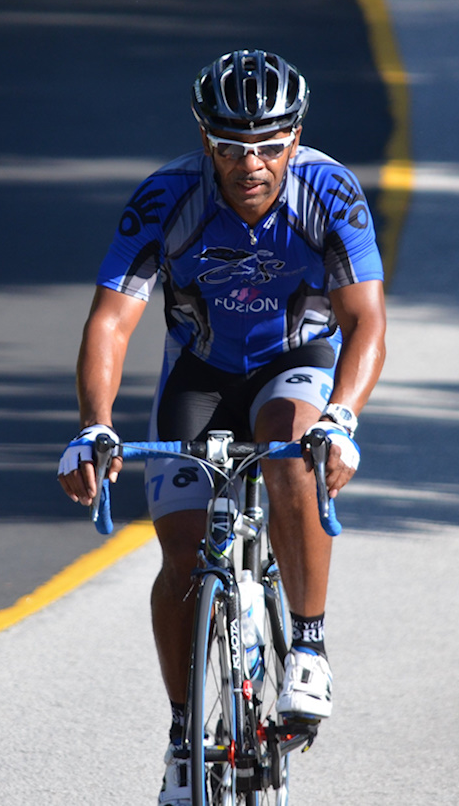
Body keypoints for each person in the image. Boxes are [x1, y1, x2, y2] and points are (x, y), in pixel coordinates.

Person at [57, 50, 387, 805]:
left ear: (295, 138)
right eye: (232, 147)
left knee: (287, 448)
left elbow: (366, 320)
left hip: (294, 361)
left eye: (269, 146)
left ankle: (308, 646)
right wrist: (93, 427)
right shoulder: (166, 197)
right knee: (181, 557)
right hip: (199, 375)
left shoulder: (329, 191)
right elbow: (110, 322)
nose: (251, 165)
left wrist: (341, 418)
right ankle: (184, 737)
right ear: (206, 140)